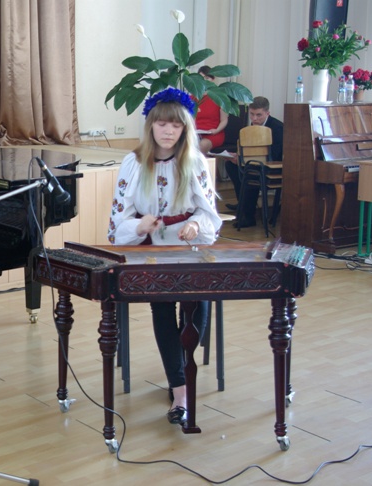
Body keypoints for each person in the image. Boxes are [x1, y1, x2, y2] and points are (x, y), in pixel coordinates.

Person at [107, 88, 223, 425]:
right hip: (150, 250)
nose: (168, 131)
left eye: (176, 125)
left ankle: (179, 375)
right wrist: (139, 225)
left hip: (189, 249)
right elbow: (116, 225)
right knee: (162, 307)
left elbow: (210, 215)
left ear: (185, 128)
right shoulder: (133, 163)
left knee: (197, 309)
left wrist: (195, 225)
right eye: (162, 124)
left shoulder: (195, 161)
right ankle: (181, 391)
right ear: (151, 125)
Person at [225, 96, 284, 227]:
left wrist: (245, 160)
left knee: (249, 172)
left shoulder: (277, 128)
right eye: (252, 114)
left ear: (267, 113)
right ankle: (243, 203)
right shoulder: (252, 126)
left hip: (272, 167)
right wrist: (239, 156)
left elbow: (275, 154)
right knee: (230, 165)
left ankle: (248, 216)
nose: (254, 118)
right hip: (254, 162)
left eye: (259, 115)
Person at [196, 66, 229, 155]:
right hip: (195, 134)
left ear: (213, 79)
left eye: (207, 78)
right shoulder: (192, 98)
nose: (204, 81)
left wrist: (216, 130)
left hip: (214, 134)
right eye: (201, 78)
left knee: (202, 145)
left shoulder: (219, 97)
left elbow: (224, 120)